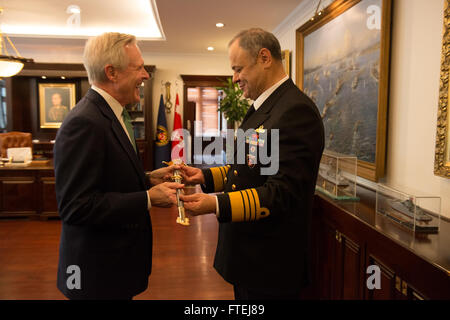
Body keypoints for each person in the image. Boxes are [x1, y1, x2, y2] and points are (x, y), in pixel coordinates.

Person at [180, 28, 324, 300]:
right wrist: (202, 177)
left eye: (238, 69)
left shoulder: (295, 111)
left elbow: (282, 192)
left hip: (270, 261)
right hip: (249, 255)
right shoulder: (264, 107)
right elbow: (249, 167)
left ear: (265, 57)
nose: (234, 79)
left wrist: (216, 204)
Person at [54, 32, 183, 300]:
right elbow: (75, 206)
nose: (146, 75)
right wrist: (147, 198)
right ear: (111, 72)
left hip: (115, 267)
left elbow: (105, 177)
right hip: (95, 274)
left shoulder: (114, 114)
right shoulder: (85, 122)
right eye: (139, 68)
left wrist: (147, 178)